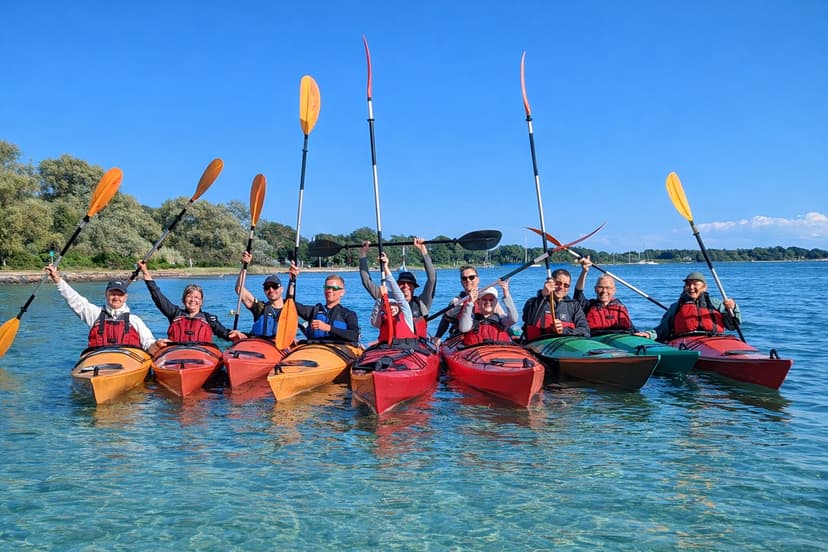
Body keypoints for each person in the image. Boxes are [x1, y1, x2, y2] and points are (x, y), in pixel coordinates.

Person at [45, 265, 161, 354]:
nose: (116, 297)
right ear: (106, 295)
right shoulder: (95, 314)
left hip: (128, 363)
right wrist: (57, 279)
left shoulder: (134, 320)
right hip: (99, 362)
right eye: (112, 293)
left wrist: (157, 345)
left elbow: (148, 344)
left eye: (119, 294)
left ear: (125, 297)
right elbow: (75, 300)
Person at [138, 261, 245, 347]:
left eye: (197, 297)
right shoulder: (175, 313)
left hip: (200, 356)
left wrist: (235, 335)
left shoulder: (208, 318)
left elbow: (225, 334)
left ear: (201, 302)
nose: (193, 300)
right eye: (189, 296)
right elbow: (158, 297)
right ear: (183, 300)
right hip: (175, 355)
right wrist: (145, 272)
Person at [359, 237, 436, 338]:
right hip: (393, 345)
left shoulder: (423, 302)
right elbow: (366, 281)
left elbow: (432, 279)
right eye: (402, 283)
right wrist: (362, 254)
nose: (405, 286)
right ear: (397, 286)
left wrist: (423, 250)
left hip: (418, 345)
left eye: (409, 284)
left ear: (414, 287)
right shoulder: (387, 298)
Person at [644, 271, 741, 342]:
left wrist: (733, 308)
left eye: (695, 284)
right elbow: (663, 329)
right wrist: (649, 334)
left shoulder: (715, 303)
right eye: (688, 284)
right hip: (686, 342)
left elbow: (732, 326)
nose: (691, 288)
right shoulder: (676, 306)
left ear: (704, 287)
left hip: (716, 340)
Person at [287, 261, 360, 344]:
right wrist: (292, 280)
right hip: (314, 350)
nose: (329, 290)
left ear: (342, 292)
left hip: (336, 351)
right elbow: (290, 304)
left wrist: (328, 328)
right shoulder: (313, 311)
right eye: (327, 287)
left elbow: (354, 336)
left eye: (334, 288)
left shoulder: (348, 314)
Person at [572, 256, 638, 335]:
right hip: (597, 339)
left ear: (614, 291)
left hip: (621, 337)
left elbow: (632, 328)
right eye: (601, 287)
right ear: (595, 289)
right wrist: (584, 272)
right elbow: (578, 292)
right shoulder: (588, 305)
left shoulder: (620, 307)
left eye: (608, 288)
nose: (604, 291)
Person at [522, 268, 590, 340]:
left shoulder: (574, 306)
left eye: (566, 285)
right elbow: (530, 320)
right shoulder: (532, 303)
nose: (561, 287)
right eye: (558, 283)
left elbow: (586, 332)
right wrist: (543, 296)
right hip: (538, 345)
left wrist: (563, 330)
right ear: (551, 283)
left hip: (564, 345)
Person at [235, 250, 284, 338]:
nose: (271, 290)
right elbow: (239, 289)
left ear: (282, 289)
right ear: (264, 291)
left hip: (280, 347)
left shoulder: (291, 308)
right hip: (260, 345)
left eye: (274, 286)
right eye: (267, 287)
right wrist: (244, 266)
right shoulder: (260, 308)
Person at [369, 260, 418, 344]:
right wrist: (380, 297)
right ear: (383, 308)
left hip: (406, 349)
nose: (391, 308)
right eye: (388, 305)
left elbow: (399, 296)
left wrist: (386, 268)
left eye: (394, 304)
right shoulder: (379, 320)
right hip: (386, 350)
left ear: (398, 305)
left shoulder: (406, 314)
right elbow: (374, 320)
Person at [457, 281, 518, 346]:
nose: (488, 302)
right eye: (484, 299)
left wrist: (506, 293)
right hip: (477, 353)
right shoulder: (472, 320)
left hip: (499, 353)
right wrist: (470, 303)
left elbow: (514, 319)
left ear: (496, 302)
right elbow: (463, 328)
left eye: (491, 300)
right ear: (478, 302)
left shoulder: (501, 320)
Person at [434, 264, 481, 341]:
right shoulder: (456, 301)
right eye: (464, 278)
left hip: (483, 338)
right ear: (461, 282)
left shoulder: (487, 297)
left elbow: (501, 319)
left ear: (478, 279)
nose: (468, 280)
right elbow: (445, 321)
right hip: (463, 340)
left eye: (471, 277)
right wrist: (437, 337)